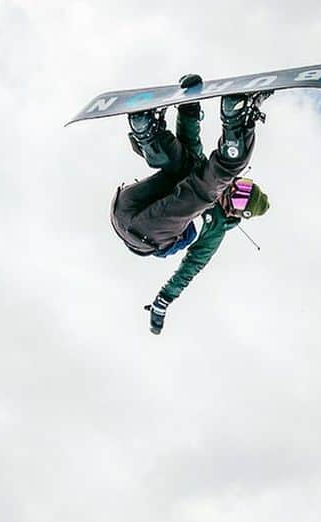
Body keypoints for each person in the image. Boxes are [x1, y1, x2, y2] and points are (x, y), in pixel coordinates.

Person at [111, 75, 272, 335]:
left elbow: (191, 267)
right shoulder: (205, 184)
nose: (234, 192)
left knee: (205, 189)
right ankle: (148, 135)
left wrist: (162, 303)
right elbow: (191, 145)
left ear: (238, 213)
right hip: (125, 206)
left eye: (240, 198)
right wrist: (189, 108)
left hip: (146, 236)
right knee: (189, 165)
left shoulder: (217, 226)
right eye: (241, 187)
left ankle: (236, 129)